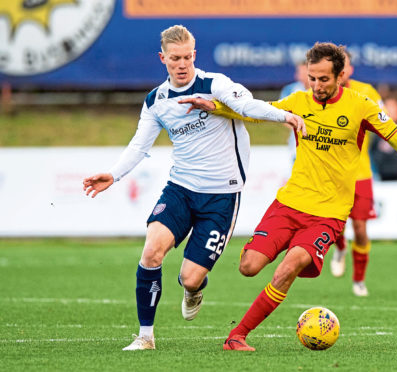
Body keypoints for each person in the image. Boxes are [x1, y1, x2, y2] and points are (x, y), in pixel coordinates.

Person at [180, 42, 397, 352]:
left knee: (286, 269)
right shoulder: (299, 101)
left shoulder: (362, 106)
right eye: (311, 78)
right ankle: (285, 250)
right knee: (248, 266)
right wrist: (218, 107)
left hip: (328, 214)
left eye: (323, 79)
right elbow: (258, 113)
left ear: (341, 75)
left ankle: (237, 336)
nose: (316, 86)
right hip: (289, 203)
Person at [82, 25, 305, 351]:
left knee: (190, 276)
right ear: (163, 58)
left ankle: (194, 286)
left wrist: (283, 116)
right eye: (175, 58)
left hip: (222, 195)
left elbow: (247, 106)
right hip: (181, 188)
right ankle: (145, 336)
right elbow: (139, 146)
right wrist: (113, 175)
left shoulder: (216, 84)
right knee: (151, 251)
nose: (182, 63)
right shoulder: (156, 101)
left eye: (187, 57)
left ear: (194, 55)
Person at [328, 50, 384, 297]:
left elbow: (382, 121)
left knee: (360, 229)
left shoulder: (367, 92)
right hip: (332, 174)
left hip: (360, 174)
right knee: (335, 227)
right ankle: (339, 248)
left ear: (349, 69)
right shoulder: (320, 94)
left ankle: (359, 280)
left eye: (345, 65)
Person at [369, 96, 397, 181]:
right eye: (389, 109)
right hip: (381, 175)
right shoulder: (376, 131)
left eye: (395, 108)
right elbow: (373, 152)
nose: (392, 112)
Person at [282, 60, 311, 159]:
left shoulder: (321, 90)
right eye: (299, 71)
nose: (299, 75)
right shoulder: (290, 90)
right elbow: (281, 115)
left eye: (302, 72)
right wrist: (299, 127)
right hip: (296, 141)